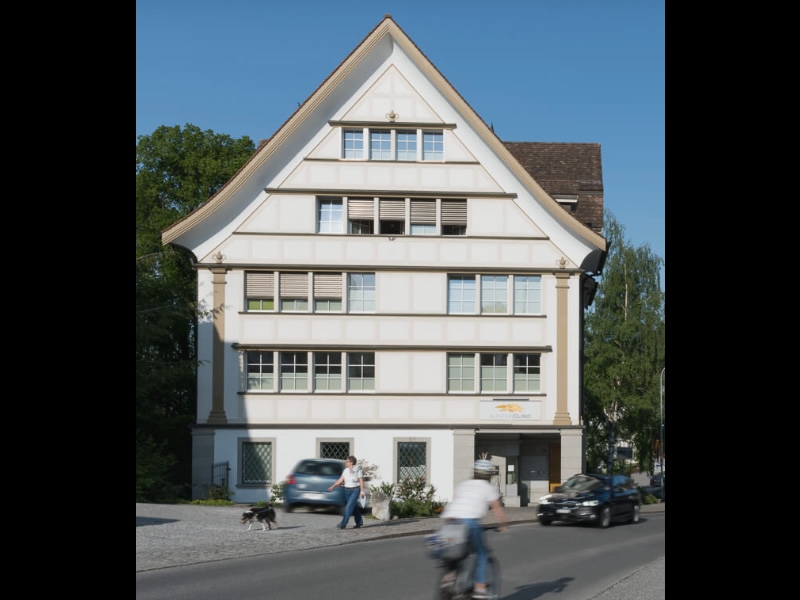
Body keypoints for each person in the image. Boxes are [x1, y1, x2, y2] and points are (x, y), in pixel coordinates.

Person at [439, 459, 508, 600]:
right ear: (488, 475)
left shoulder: (463, 485)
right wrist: (503, 525)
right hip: (469, 522)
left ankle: (448, 580)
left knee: (455, 552)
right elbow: (497, 508)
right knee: (481, 554)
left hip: (449, 521)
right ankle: (480, 590)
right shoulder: (488, 488)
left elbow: (460, 502)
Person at [328, 455, 365, 529]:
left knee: (348, 507)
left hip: (355, 490)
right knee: (353, 507)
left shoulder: (357, 470)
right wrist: (333, 486)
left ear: (351, 462)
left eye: (347, 461)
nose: (346, 462)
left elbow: (361, 480)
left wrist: (362, 491)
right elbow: (341, 479)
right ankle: (359, 521)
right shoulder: (345, 470)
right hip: (347, 490)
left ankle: (343, 523)